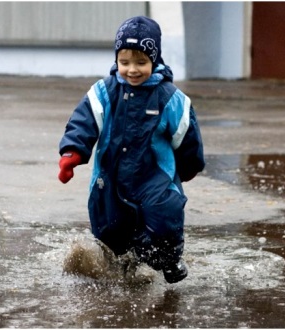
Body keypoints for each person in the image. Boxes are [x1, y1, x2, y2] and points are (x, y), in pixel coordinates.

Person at [58, 16, 205, 283]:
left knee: (164, 217)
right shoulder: (104, 92)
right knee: (109, 228)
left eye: (141, 62)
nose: (132, 70)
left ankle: (169, 261)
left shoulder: (169, 97)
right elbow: (83, 121)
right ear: (116, 60)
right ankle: (120, 268)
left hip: (154, 175)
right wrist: (72, 154)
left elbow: (186, 134)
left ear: (155, 60)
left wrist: (189, 167)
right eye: (124, 62)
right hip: (111, 174)